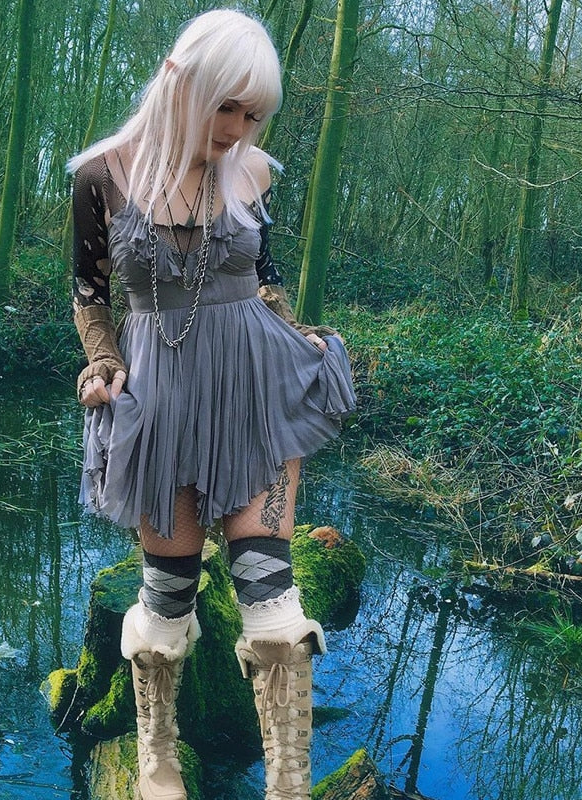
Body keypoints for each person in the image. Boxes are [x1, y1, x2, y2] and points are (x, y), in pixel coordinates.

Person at [67, 9, 355, 800]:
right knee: (166, 598)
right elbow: (90, 293)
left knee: (272, 599)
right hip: (158, 399)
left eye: (253, 114)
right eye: (225, 107)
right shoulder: (101, 175)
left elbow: (265, 280)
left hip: (254, 393)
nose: (237, 129)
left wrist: (298, 335)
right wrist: (102, 361)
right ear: (177, 80)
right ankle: (156, 758)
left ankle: (288, 783)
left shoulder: (253, 173)